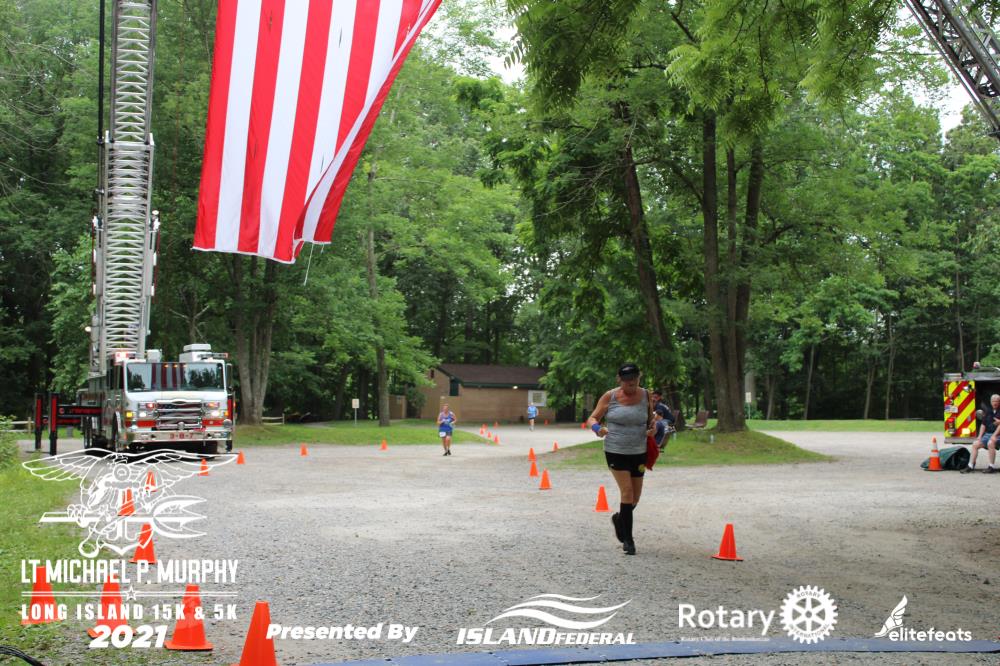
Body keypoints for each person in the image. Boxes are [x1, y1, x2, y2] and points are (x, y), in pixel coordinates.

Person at [586, 363, 654, 555]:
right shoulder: (610, 396)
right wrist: (597, 428)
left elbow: (649, 420)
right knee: (627, 491)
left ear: (639, 377)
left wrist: (653, 428)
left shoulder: (646, 395)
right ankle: (628, 540)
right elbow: (592, 418)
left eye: (634, 378)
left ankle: (619, 519)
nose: (630, 383)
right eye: (626, 380)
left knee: (635, 497)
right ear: (619, 380)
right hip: (616, 450)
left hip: (639, 451)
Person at [961, 394, 1000, 473]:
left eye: (997, 401)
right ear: (991, 402)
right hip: (988, 434)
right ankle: (970, 466)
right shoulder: (988, 411)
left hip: (998, 435)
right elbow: (983, 425)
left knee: (990, 443)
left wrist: (994, 435)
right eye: (993, 401)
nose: (995, 403)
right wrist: (979, 436)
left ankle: (991, 467)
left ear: (999, 402)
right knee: (975, 444)